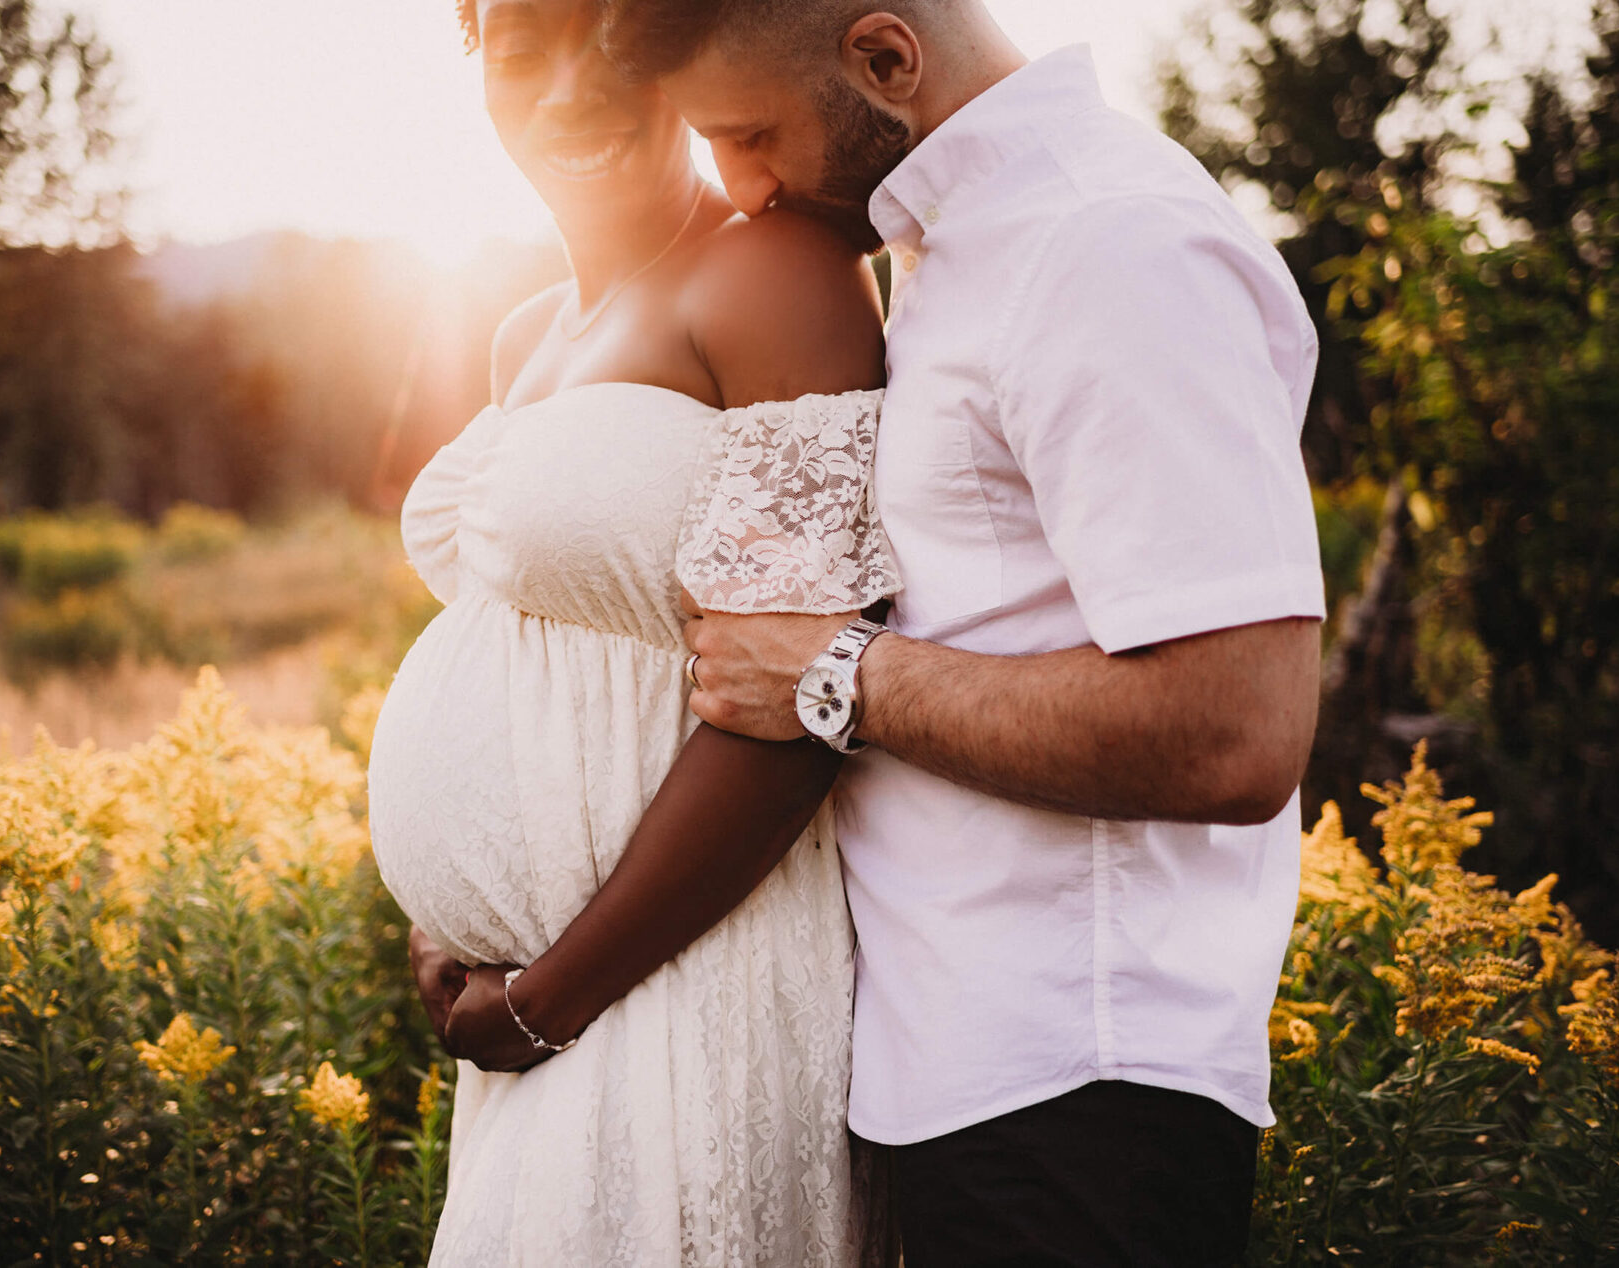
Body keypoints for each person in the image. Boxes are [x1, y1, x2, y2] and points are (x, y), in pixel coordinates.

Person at [440, 2, 1329, 1263]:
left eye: (748, 134)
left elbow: (1235, 731)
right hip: (947, 1073)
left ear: (883, 60)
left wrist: (831, 672)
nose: (741, 185)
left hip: (1085, 1080)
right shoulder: (960, 251)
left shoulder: (1107, 241)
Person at [366, 0, 901, 1263]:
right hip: (540, 1000)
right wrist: (456, 911)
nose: (569, 91)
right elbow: (527, 662)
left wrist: (553, 995)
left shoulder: (775, 275)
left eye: (609, 39)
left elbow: (795, 704)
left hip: (680, 980)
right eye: (522, 49)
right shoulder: (522, 332)